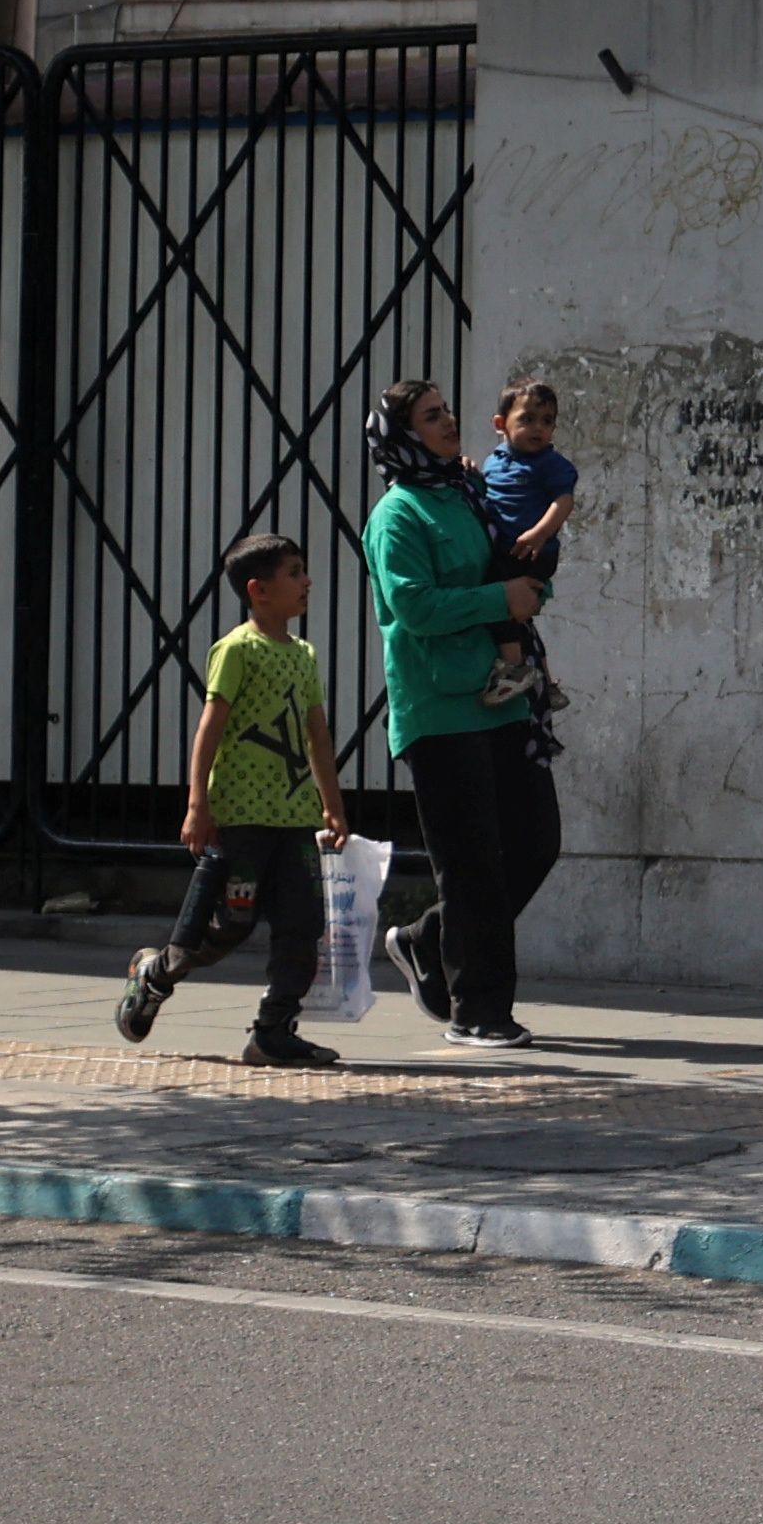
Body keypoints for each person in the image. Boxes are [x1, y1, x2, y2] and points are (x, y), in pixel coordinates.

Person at [360, 377, 554, 1051]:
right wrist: (502, 601)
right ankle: (479, 1010)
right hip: (440, 709)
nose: (448, 424)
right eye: (431, 417)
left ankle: (429, 938)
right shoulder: (398, 515)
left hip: (504, 696)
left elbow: (511, 557)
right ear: (403, 435)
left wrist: (530, 584)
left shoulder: (469, 494)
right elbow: (414, 609)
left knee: (536, 841)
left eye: (446, 412)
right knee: (472, 864)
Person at [115, 530, 355, 1070]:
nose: (306, 581)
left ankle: (272, 1031)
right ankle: (156, 975)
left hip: (293, 819)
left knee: (302, 927)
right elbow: (211, 728)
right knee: (229, 923)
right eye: (294, 572)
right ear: (258, 590)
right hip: (242, 816)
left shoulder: (304, 655)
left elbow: (317, 735)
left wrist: (332, 804)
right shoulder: (236, 650)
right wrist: (198, 804)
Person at [473, 376, 580, 722]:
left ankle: (513, 669)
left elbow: (564, 501)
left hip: (534, 552)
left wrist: (540, 533)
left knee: (498, 600)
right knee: (519, 618)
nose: (539, 428)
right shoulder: (494, 462)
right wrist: (470, 472)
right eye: (528, 419)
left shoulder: (549, 463)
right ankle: (545, 682)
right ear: (500, 425)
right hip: (511, 551)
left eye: (547, 421)